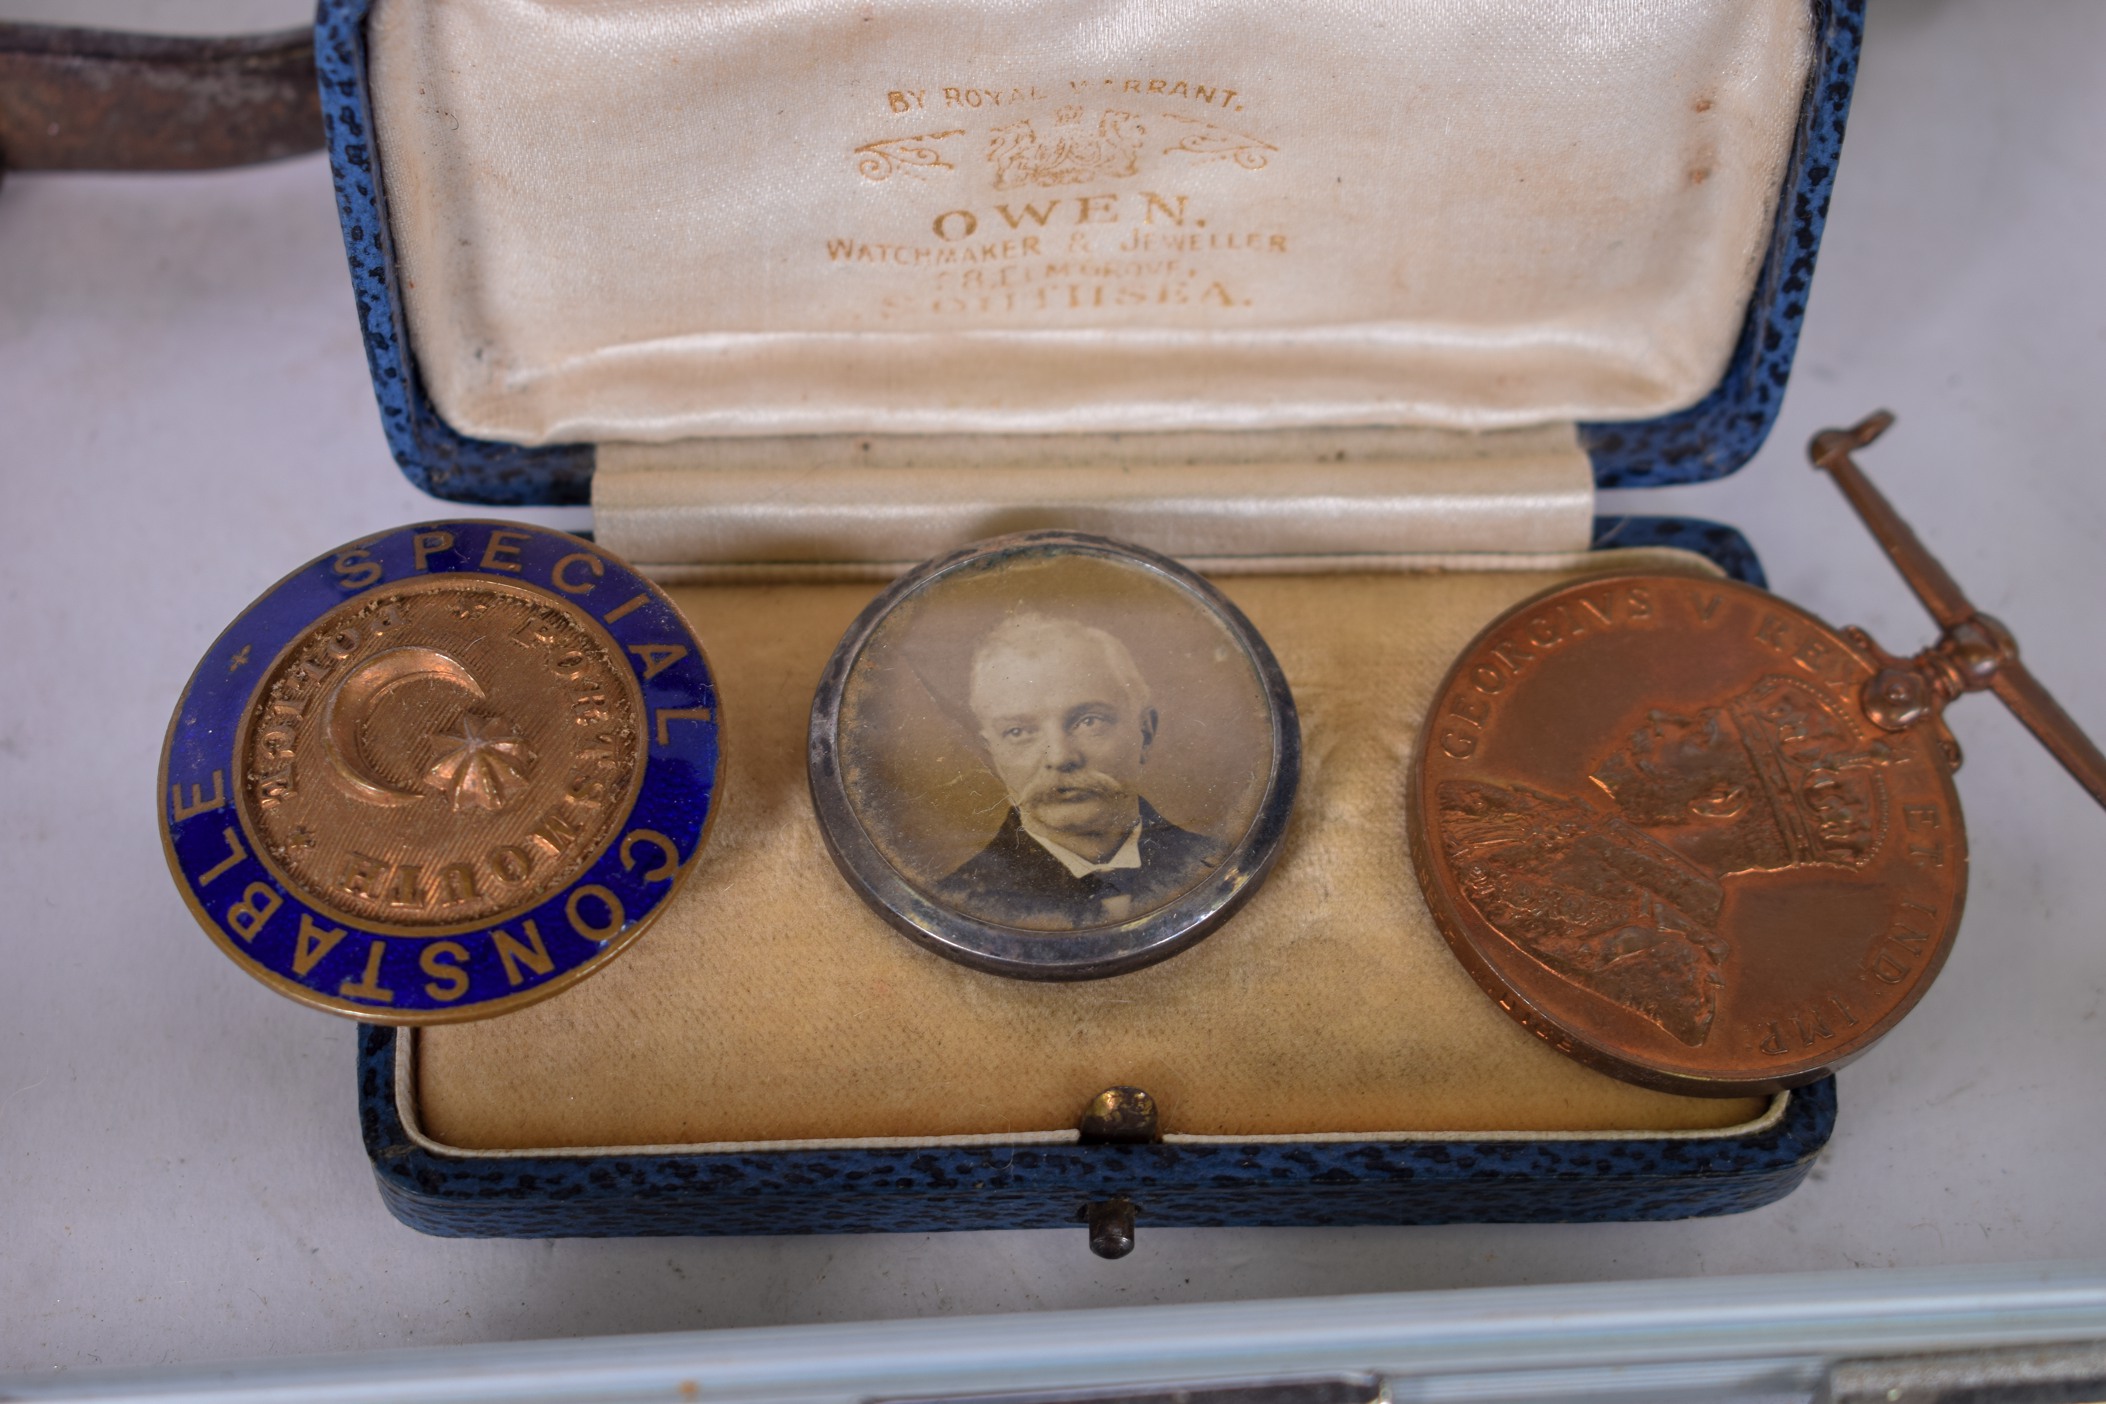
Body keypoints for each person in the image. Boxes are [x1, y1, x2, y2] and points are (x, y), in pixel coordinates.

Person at [936, 612, 1223, 930]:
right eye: (1018, 731)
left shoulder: (1218, 867)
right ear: (992, 756)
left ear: (1145, 731)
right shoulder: (957, 905)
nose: (1060, 757)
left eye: (1089, 721)